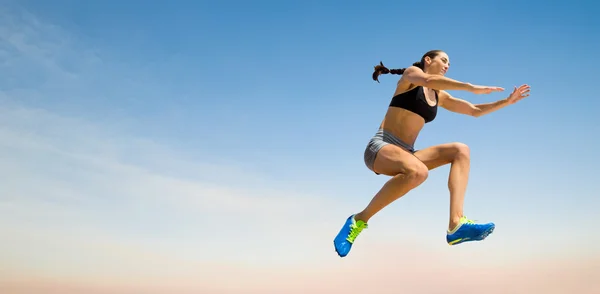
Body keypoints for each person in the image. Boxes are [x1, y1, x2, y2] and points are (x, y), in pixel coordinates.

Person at [333, 49, 530, 258]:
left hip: (406, 154)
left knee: (460, 150)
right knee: (419, 172)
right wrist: (472, 87)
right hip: (380, 148)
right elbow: (428, 79)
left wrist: (506, 102)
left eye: (449, 63)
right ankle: (358, 220)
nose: (447, 65)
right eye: (443, 60)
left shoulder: (439, 95)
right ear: (428, 60)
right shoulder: (411, 76)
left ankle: (456, 224)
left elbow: (474, 110)